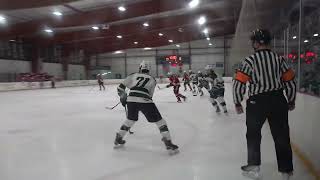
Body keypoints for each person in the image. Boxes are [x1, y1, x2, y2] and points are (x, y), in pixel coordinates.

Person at [233, 29, 297, 180]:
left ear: (255, 43)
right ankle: (286, 171)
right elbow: (290, 81)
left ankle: (254, 166)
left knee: (253, 135)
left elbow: (239, 83)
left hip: (257, 103)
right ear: (268, 42)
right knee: (281, 136)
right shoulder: (279, 59)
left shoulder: (249, 61)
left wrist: (237, 101)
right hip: (277, 100)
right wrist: (291, 99)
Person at [115, 61, 179, 154]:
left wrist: (123, 97)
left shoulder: (133, 75)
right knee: (160, 121)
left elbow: (120, 88)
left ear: (140, 68)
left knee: (130, 120)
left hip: (131, 99)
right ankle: (168, 141)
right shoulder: (152, 79)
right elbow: (150, 95)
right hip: (145, 100)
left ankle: (119, 137)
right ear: (148, 69)